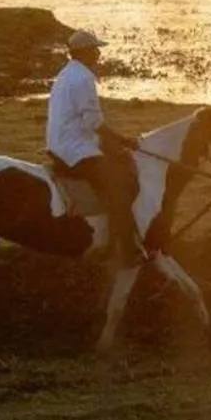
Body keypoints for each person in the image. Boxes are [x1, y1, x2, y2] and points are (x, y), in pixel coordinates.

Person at [46, 29, 143, 258]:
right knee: (120, 184)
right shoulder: (84, 78)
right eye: (95, 49)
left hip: (63, 141)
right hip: (75, 148)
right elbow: (93, 122)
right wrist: (123, 140)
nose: (99, 54)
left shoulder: (67, 74)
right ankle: (126, 248)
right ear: (85, 52)